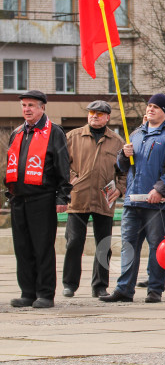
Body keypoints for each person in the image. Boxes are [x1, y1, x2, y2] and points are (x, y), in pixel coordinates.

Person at [101, 94, 165, 304]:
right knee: (128, 246)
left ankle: (155, 289)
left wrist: (160, 189)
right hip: (132, 201)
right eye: (149, 106)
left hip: (157, 203)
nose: (151, 110)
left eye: (156, 107)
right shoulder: (136, 134)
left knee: (158, 247)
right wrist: (122, 154)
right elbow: (123, 167)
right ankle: (124, 289)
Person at [4, 91, 71, 309]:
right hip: (18, 198)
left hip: (42, 198)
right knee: (22, 247)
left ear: (42, 107)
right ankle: (27, 292)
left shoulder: (54, 132)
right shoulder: (17, 133)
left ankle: (45, 293)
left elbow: (62, 165)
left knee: (42, 247)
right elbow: (11, 165)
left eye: (31, 105)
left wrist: (63, 195)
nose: (27, 109)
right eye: (24, 105)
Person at [63, 100, 126, 299]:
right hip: (78, 198)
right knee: (74, 242)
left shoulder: (117, 142)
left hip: (103, 200)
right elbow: (61, 164)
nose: (94, 116)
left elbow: (124, 171)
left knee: (103, 245)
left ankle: (100, 286)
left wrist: (121, 188)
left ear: (107, 117)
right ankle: (69, 284)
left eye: (99, 114)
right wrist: (71, 179)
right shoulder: (72, 137)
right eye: (92, 113)